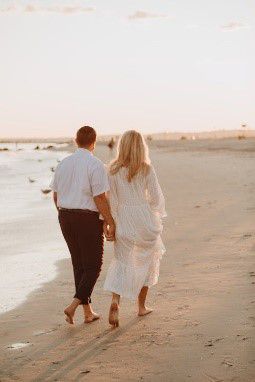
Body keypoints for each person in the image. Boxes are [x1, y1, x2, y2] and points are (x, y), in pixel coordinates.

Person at [50, 126, 115, 324]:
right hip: (86, 218)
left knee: (79, 263)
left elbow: (55, 194)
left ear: (75, 141)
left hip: (65, 216)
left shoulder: (63, 163)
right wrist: (110, 221)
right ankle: (73, 305)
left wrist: (63, 213)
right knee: (94, 265)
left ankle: (88, 312)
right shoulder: (95, 165)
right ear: (94, 142)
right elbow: (99, 197)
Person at [104, 130, 166, 327]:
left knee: (122, 262)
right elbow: (156, 198)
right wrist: (152, 211)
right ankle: (141, 307)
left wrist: (112, 223)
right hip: (144, 218)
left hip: (123, 218)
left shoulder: (112, 170)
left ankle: (116, 301)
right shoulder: (146, 168)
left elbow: (111, 200)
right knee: (147, 261)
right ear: (141, 147)